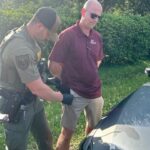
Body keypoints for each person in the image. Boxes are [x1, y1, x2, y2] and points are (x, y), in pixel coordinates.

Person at [0, 7, 73, 150]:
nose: (47, 38)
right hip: (16, 106)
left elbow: (32, 70)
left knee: (45, 138)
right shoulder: (20, 47)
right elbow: (37, 88)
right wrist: (61, 97)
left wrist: (50, 80)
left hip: (32, 100)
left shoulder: (29, 36)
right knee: (17, 147)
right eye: (48, 34)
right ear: (39, 25)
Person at [48, 0, 104, 150]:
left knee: (94, 130)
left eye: (99, 17)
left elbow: (98, 60)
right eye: (93, 15)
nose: (96, 20)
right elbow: (53, 64)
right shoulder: (67, 35)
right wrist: (64, 84)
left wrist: (88, 71)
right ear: (83, 12)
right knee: (67, 133)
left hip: (95, 93)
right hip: (74, 93)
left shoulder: (97, 37)